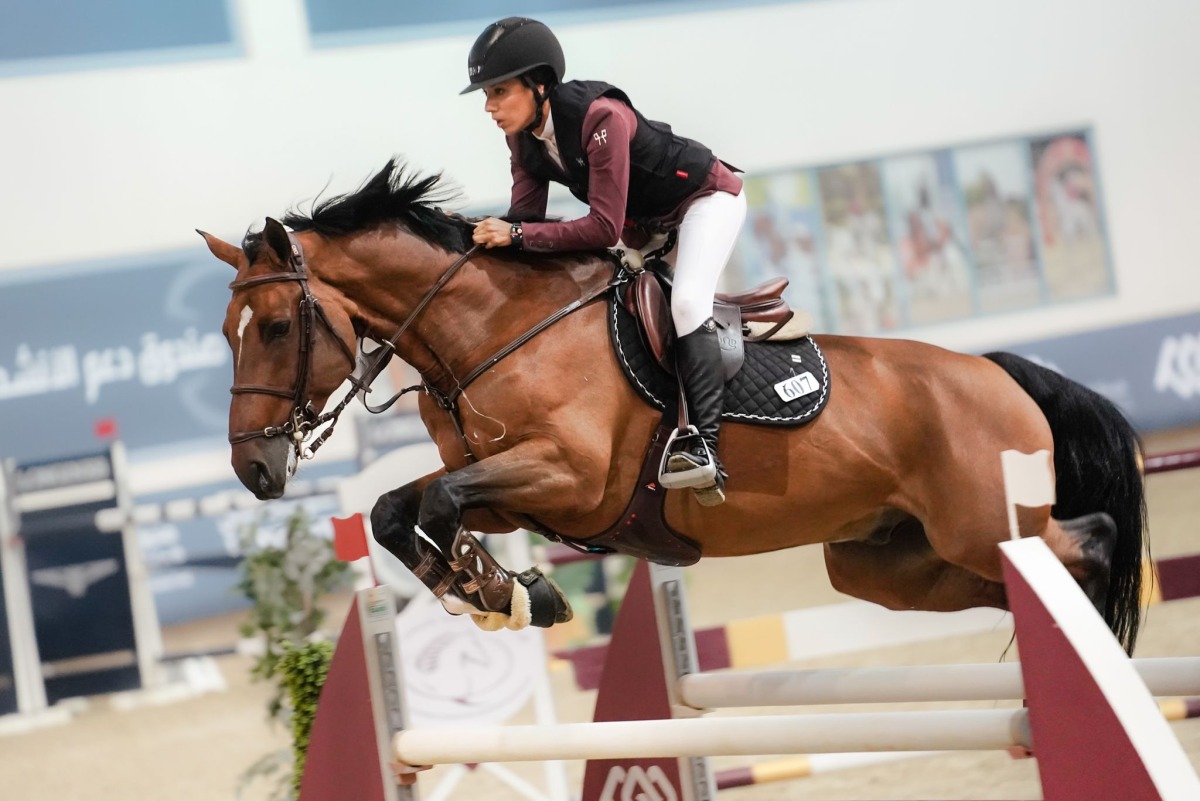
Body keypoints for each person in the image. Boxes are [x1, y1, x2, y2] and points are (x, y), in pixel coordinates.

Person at [463, 16, 746, 507]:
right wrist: (467, 232)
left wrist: (513, 233)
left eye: (500, 92)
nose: (490, 108)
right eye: (487, 96)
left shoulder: (600, 118)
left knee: (687, 305)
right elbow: (525, 220)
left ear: (540, 85)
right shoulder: (522, 140)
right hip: (650, 228)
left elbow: (602, 228)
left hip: (704, 201)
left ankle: (704, 447)